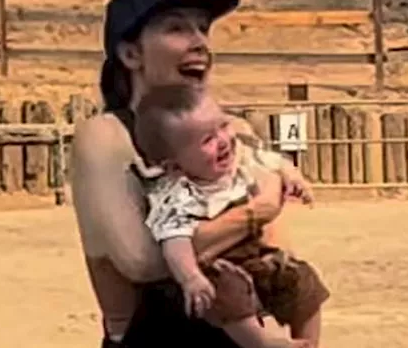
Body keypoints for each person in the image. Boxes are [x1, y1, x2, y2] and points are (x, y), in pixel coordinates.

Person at [70, 0, 327, 348]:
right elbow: (141, 262)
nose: (199, 42)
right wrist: (254, 211)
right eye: (176, 29)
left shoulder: (234, 128)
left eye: (203, 29)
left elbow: (278, 249)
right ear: (130, 53)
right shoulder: (106, 135)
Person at [132, 83, 328, 348]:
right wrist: (190, 276)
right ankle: (262, 344)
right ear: (174, 166)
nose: (223, 141)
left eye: (222, 126)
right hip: (216, 266)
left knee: (301, 278)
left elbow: (274, 161)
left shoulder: (241, 161)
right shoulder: (177, 194)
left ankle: (308, 342)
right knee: (225, 291)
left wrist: (292, 177)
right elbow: (174, 240)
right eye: (207, 140)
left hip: (256, 256)